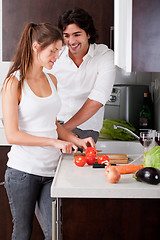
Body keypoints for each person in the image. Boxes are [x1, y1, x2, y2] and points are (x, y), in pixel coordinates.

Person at [2, 22, 95, 240]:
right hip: (23, 172)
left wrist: (77, 140)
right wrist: (54, 143)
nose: (57, 56)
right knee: (23, 232)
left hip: (53, 172)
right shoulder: (14, 82)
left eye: (59, 51)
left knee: (54, 233)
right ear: (36, 47)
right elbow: (12, 135)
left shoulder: (51, 79)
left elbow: (52, 125)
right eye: (52, 50)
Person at [45, 7, 116, 143]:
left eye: (77, 34)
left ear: (88, 34)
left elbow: (98, 98)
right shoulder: (56, 55)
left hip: (85, 129)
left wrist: (63, 130)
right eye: (66, 36)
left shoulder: (104, 55)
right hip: (54, 125)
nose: (71, 41)